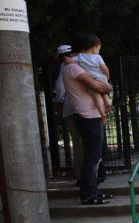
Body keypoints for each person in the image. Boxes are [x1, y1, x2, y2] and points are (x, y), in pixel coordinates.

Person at [63, 34, 113, 205]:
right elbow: (97, 86)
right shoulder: (73, 68)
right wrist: (107, 88)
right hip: (88, 117)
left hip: (91, 116)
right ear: (84, 49)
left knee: (95, 157)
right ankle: (87, 194)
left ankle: (93, 191)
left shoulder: (74, 65)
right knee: (91, 158)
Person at [53, 44, 85, 183]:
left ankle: (83, 176)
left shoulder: (66, 67)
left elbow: (60, 89)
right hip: (79, 109)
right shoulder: (73, 66)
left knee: (79, 144)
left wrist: (59, 102)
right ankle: (86, 177)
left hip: (73, 109)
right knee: (83, 144)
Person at [72, 34, 111, 126]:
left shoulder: (80, 57)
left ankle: (102, 114)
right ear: (94, 48)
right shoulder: (98, 57)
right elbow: (104, 68)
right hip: (101, 78)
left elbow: (71, 61)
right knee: (104, 92)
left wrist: (66, 59)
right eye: (98, 49)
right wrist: (107, 75)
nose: (98, 51)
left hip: (91, 80)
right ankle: (107, 101)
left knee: (96, 95)